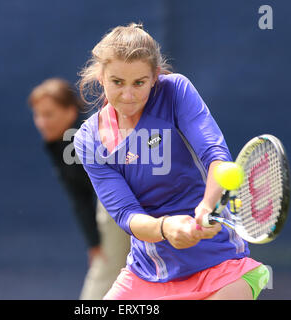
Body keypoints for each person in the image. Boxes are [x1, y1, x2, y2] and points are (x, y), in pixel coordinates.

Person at [73, 23, 270, 300]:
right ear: (101, 77)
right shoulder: (88, 139)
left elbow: (215, 155)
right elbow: (127, 215)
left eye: (139, 82)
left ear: (155, 77)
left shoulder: (175, 90)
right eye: (117, 82)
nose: (128, 96)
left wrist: (206, 206)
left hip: (220, 264)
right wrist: (166, 228)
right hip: (147, 272)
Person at [28, 78, 130, 300]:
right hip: (119, 209)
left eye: (49, 114)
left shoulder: (87, 137)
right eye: (38, 115)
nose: (42, 122)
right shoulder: (59, 145)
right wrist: (94, 243)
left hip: (127, 203)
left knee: (106, 274)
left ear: (70, 111)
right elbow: (80, 198)